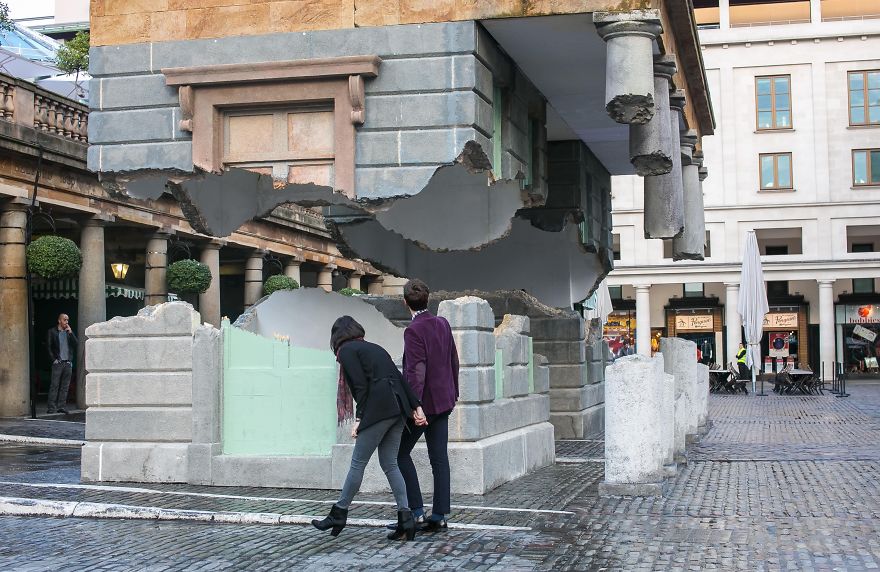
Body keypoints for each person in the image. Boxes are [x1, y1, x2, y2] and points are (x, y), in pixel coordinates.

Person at [311, 316, 425, 540]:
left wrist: (359, 418)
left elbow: (361, 387)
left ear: (336, 337)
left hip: (380, 408)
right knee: (390, 463)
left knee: (358, 463)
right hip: (398, 408)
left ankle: (339, 513)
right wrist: (415, 406)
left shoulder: (346, 350)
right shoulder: (374, 348)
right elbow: (399, 378)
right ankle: (406, 519)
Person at [395, 279, 459, 533]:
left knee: (399, 454)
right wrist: (454, 393)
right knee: (439, 459)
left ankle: (417, 511)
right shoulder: (442, 323)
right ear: (427, 300)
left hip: (425, 405)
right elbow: (453, 359)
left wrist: (415, 406)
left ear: (404, 302)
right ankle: (440, 515)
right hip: (444, 401)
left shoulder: (413, 331)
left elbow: (415, 371)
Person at [46, 313, 77, 414]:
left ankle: (61, 406)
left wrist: (71, 333)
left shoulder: (69, 332)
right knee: (54, 385)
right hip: (58, 363)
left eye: (67, 320)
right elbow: (49, 347)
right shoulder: (52, 332)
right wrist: (53, 359)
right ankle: (51, 407)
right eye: (64, 320)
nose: (66, 322)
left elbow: (76, 344)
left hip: (67, 363)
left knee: (65, 386)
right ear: (59, 320)